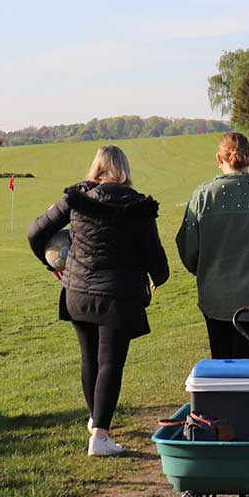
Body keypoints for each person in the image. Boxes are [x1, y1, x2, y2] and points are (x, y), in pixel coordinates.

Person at [27, 145, 169, 456]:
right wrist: (159, 277)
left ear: (97, 168)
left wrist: (52, 264)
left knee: (90, 358)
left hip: (77, 293)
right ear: (124, 170)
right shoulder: (138, 205)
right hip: (118, 296)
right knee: (109, 363)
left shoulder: (77, 198)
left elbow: (35, 232)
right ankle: (100, 437)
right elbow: (155, 256)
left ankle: (96, 422)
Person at [175, 132, 249, 357]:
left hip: (217, 297)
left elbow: (188, 247)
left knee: (222, 365)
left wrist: (203, 269)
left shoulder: (203, 196)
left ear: (219, 159)